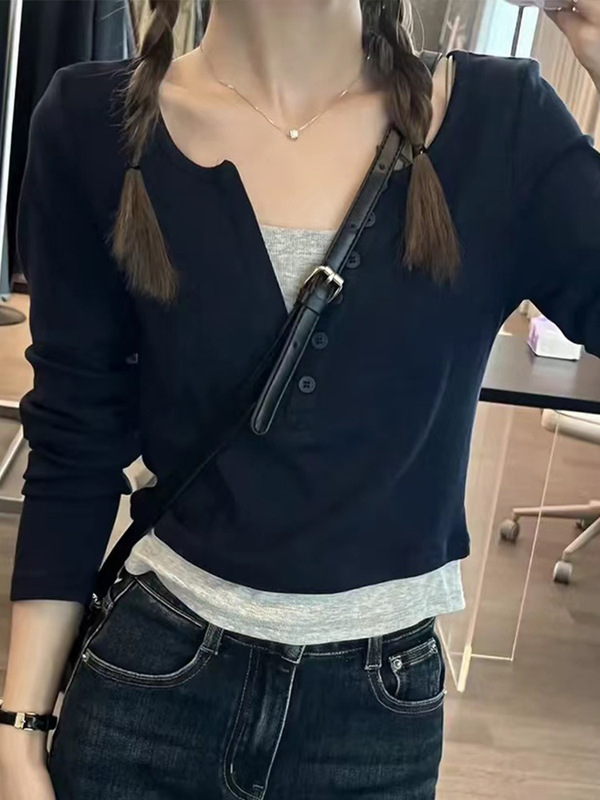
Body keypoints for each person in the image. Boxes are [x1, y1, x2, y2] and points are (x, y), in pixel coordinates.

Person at [1, 1, 599, 798]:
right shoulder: (92, 126)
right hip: (149, 684)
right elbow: (74, 439)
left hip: (375, 722)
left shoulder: (503, 124)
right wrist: (19, 728)